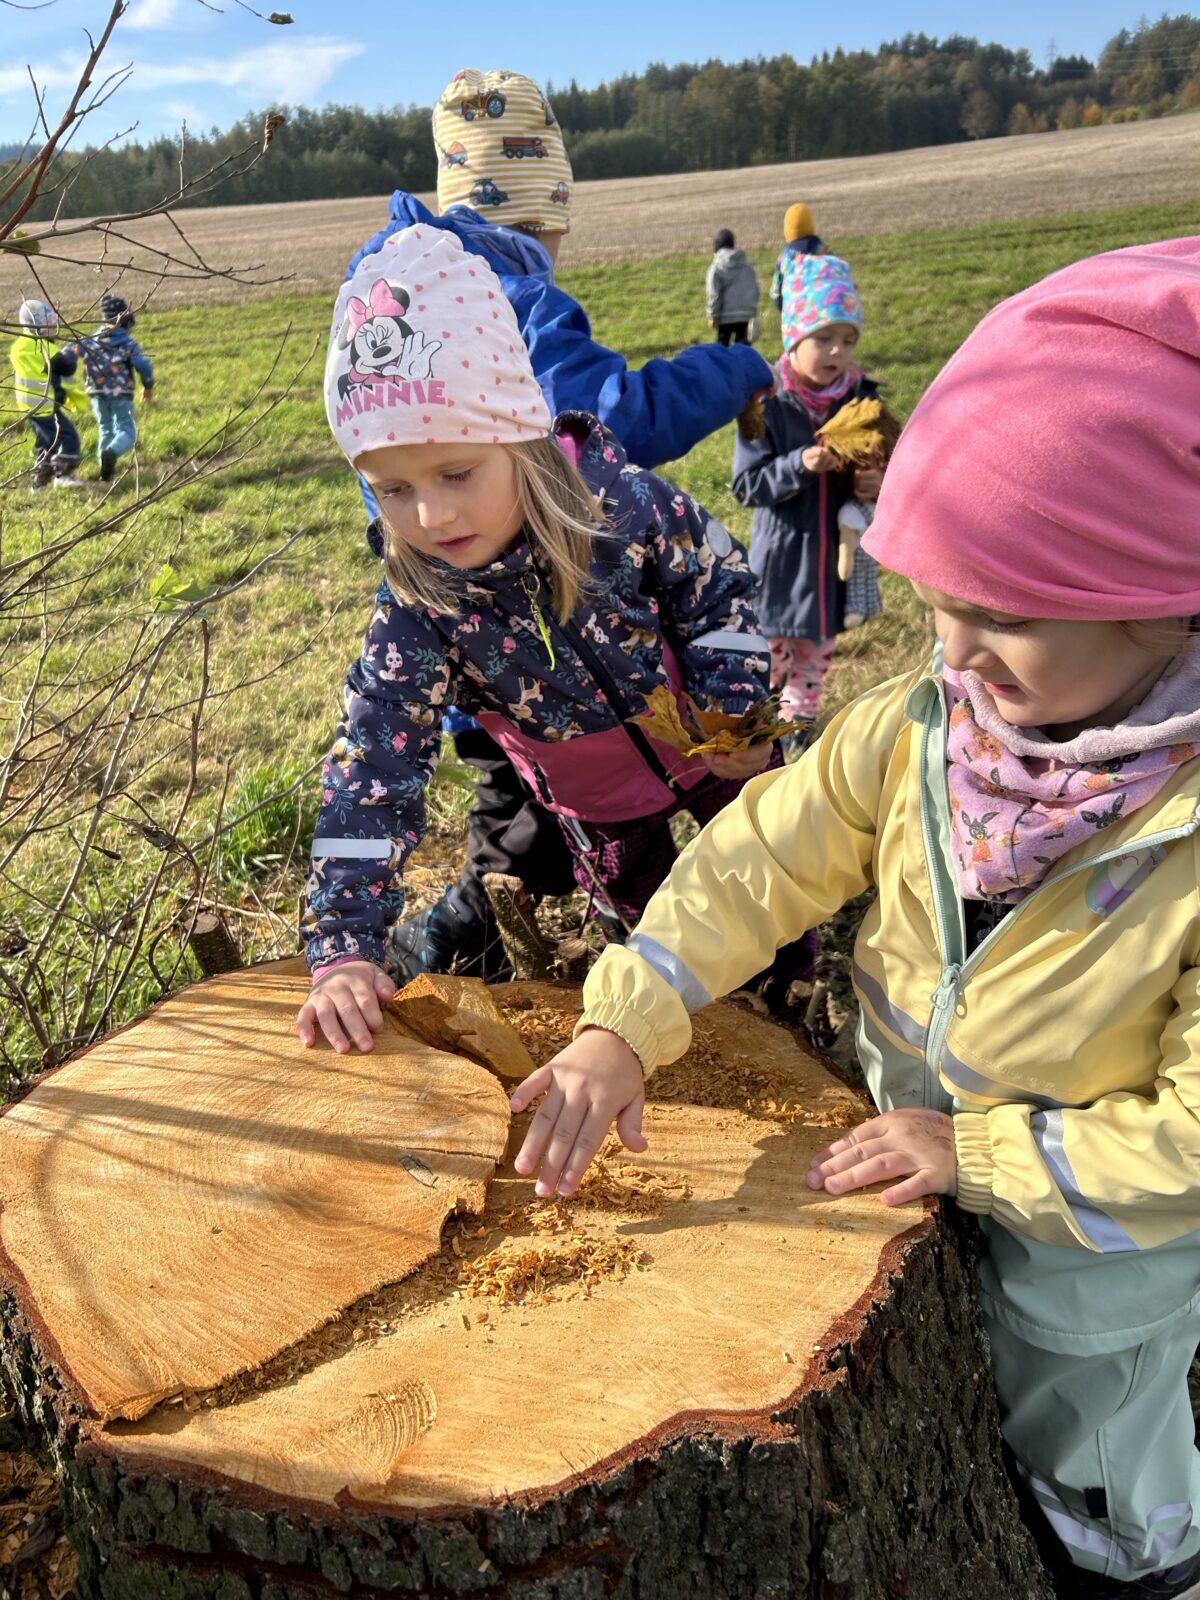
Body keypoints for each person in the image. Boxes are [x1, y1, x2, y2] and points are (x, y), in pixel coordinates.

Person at [509, 237, 1200, 1600]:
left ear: (1164, 604)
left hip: (1094, 1284)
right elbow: (758, 861)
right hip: (915, 1183)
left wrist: (981, 1156)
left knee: (1096, 1485)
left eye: (1005, 616)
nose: (956, 652)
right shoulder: (921, 730)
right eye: (939, 605)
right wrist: (624, 1023)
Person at [298, 226, 807, 1051]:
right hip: (599, 808)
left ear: (520, 434)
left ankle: (796, 1005)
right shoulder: (421, 605)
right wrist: (344, 946)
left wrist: (736, 708)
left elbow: (718, 586)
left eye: (457, 472)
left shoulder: (622, 506)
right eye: (390, 489)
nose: (431, 515)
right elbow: (371, 770)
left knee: (775, 886)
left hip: (722, 754)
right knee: (659, 945)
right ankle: (710, 1043)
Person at [349, 68, 776, 981]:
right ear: (541, 219)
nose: (431, 506)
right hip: (544, 630)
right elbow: (622, 416)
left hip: (500, 649)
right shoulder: (511, 300)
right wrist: (735, 369)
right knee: (533, 811)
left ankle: (508, 923)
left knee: (536, 792)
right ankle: (475, 926)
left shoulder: (378, 304)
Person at [733, 253, 883, 730]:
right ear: (794, 338)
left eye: (848, 340)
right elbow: (746, 485)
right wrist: (799, 464)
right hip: (780, 565)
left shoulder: (862, 401)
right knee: (770, 659)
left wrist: (875, 483)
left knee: (815, 659)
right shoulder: (767, 404)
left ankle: (798, 730)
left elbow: (880, 461)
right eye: (823, 338)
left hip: (832, 566)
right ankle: (760, 728)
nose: (837, 351)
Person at [64, 293, 154, 481]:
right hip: (121, 392)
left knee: (105, 428)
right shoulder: (128, 343)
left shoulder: (90, 339)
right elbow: (143, 366)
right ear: (126, 322)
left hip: (96, 392)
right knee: (127, 430)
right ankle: (112, 453)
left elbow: (69, 351)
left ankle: (104, 471)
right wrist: (148, 386)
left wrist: (60, 365)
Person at [10, 299, 84, 490]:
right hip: (45, 406)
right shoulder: (44, 348)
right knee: (68, 438)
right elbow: (67, 367)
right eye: (51, 324)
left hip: (29, 406)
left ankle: (39, 484)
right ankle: (63, 475)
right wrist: (71, 353)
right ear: (39, 328)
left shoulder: (19, 346)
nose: (55, 327)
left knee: (45, 443)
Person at [769, 201, 826, 312]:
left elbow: (776, 294)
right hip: (822, 310)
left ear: (787, 230)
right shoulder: (823, 250)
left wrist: (784, 309)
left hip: (795, 313)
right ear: (811, 226)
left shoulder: (784, 258)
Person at [706, 228, 759, 345]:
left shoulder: (716, 268)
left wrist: (713, 316)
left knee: (722, 350)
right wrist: (752, 313)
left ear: (716, 249)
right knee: (743, 351)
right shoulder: (748, 266)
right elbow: (755, 290)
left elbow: (714, 295)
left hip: (724, 318)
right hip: (746, 316)